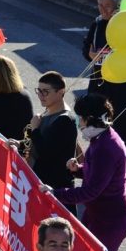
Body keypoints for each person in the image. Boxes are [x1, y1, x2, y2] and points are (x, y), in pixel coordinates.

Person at [50, 94, 126, 251]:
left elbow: (90, 191)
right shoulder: (102, 137)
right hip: (97, 214)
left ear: (90, 119)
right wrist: (78, 169)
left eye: (80, 118)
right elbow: (101, 174)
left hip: (110, 221)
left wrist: (54, 194)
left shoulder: (106, 147)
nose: (79, 123)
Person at [84, 0, 126, 147]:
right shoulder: (97, 24)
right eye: (100, 5)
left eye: (108, 6)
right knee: (95, 126)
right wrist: (91, 55)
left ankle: (121, 164)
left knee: (120, 128)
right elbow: (86, 49)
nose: (103, 10)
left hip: (121, 87)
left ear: (118, 7)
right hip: (98, 84)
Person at [27, 71, 79, 205]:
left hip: (55, 188)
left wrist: (35, 129)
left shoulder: (65, 120)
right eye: (38, 90)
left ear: (61, 92)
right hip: (41, 183)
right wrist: (19, 143)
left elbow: (46, 152)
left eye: (45, 91)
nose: (40, 96)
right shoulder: (48, 111)